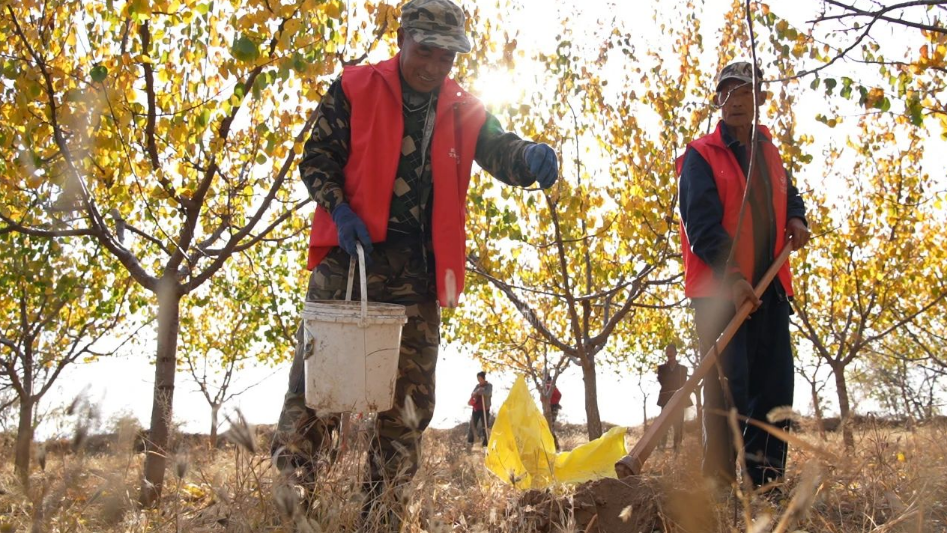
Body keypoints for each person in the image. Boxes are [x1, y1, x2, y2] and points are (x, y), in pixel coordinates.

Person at [270, 0, 559, 521]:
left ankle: (381, 518)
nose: (434, 65)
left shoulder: (464, 107)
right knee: (316, 394)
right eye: (425, 50)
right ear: (402, 38)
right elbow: (316, 159)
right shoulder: (355, 87)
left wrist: (530, 157)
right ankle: (293, 513)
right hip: (349, 264)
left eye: (447, 56)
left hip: (419, 274)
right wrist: (340, 208)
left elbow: (501, 149)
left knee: (407, 410)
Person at [677, 61, 810, 489]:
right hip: (722, 296)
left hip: (769, 290)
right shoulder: (700, 156)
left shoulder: (769, 151)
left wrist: (797, 217)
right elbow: (700, 226)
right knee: (727, 394)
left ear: (760, 99)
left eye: (746, 92)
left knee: (774, 392)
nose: (736, 101)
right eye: (728, 93)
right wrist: (733, 278)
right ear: (717, 101)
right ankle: (717, 491)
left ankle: (764, 488)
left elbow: (790, 193)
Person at [656, 343, 690, 452]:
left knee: (678, 424)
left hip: (679, 400)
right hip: (666, 400)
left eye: (671, 351)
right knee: (664, 424)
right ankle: (661, 448)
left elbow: (683, 383)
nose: (669, 353)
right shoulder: (661, 368)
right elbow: (663, 382)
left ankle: (677, 448)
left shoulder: (683, 369)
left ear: (676, 353)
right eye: (667, 352)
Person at [466, 371, 492, 448]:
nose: (479, 380)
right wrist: (478, 391)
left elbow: (488, 393)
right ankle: (470, 442)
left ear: (483, 378)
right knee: (472, 425)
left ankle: (485, 443)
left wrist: (482, 391)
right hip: (476, 409)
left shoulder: (489, 386)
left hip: (485, 409)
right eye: (478, 379)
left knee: (485, 426)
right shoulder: (477, 386)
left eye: (480, 378)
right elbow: (473, 393)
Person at [543, 376, 562, 451]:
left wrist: (554, 402)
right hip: (548, 408)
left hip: (553, 408)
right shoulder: (547, 387)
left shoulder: (551, 386)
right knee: (547, 427)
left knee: (550, 427)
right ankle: (552, 447)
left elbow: (559, 395)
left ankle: (556, 447)